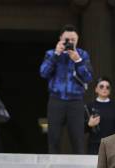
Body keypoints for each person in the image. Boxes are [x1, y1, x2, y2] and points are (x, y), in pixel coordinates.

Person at [40, 24, 93, 154]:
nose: (70, 43)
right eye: (66, 40)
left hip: (76, 100)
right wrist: (56, 55)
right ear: (60, 39)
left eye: (73, 40)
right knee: (54, 136)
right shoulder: (51, 53)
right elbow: (43, 73)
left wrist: (78, 61)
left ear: (77, 40)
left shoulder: (83, 55)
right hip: (56, 99)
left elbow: (88, 77)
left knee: (77, 137)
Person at [85, 77, 115, 155]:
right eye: (101, 86)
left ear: (110, 90)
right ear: (96, 89)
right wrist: (89, 124)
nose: (104, 89)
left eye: (107, 87)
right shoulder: (89, 106)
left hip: (113, 145)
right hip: (94, 145)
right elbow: (81, 129)